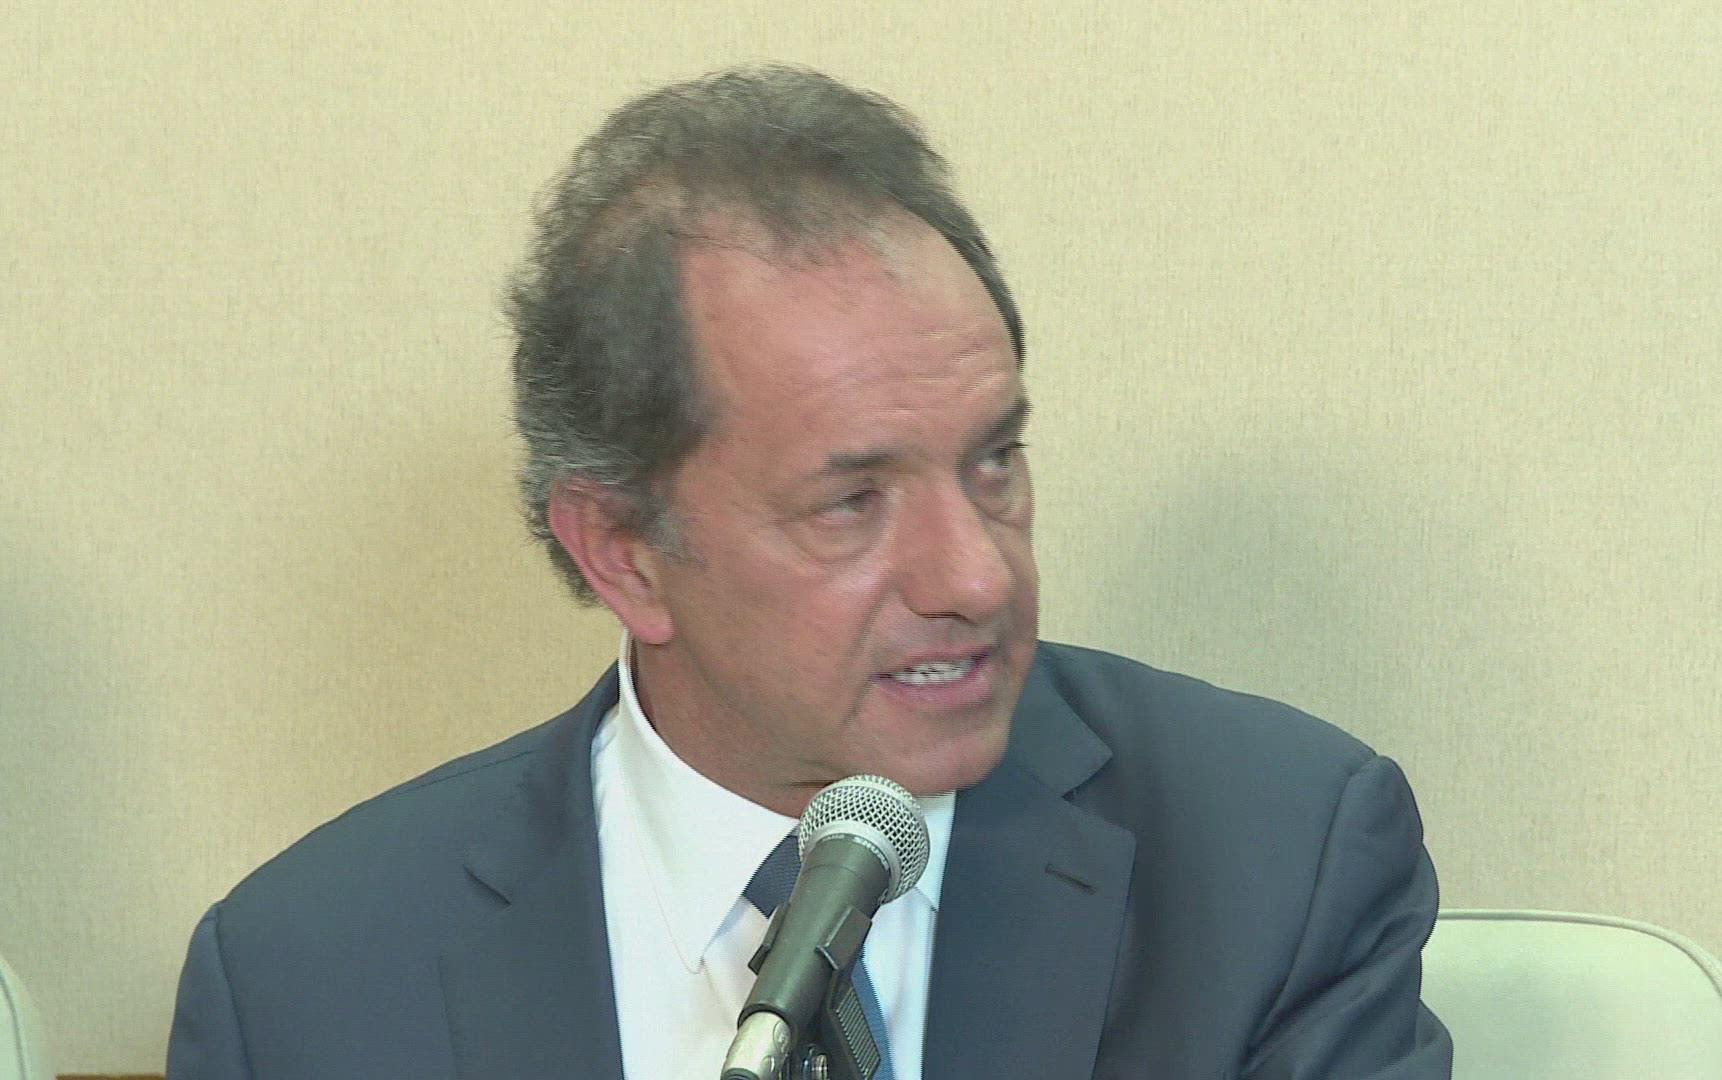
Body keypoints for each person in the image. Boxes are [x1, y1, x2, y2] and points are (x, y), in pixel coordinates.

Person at [168, 66, 1451, 1079]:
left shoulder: (1274, 864)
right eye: (852, 503)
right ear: (624, 554)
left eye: (994, 462)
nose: (976, 577)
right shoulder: (308, 982)